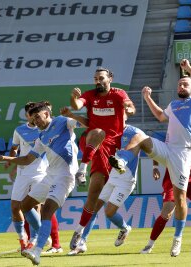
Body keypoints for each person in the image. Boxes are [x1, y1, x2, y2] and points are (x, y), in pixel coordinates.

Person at [109, 59, 191, 257]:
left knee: (180, 198)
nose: (181, 86)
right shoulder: (173, 105)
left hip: (183, 153)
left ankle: (177, 238)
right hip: (168, 148)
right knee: (140, 137)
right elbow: (160, 116)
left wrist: (188, 69)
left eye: (185, 84)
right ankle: (121, 159)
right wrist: (147, 98)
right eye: (180, 84)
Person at [0, 102, 80, 265]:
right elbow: (27, 159)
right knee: (25, 205)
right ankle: (42, 236)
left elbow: (86, 123)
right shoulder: (41, 137)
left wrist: (73, 115)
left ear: (47, 114)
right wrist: (6, 158)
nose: (36, 122)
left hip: (64, 176)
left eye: (38, 118)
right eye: (33, 119)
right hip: (50, 175)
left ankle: (38, 251)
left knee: (46, 210)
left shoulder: (63, 122)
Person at [69, 67, 136, 250]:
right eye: (95, 78)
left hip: (112, 150)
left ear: (110, 79)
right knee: (97, 132)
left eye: (101, 78)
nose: (98, 81)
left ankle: (82, 233)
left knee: (95, 198)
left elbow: (129, 105)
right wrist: (74, 98)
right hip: (91, 141)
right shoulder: (90, 95)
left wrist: (128, 108)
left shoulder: (118, 94)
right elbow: (77, 105)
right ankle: (81, 170)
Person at [63, 110, 144, 255]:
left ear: (126, 115)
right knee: (93, 208)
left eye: (121, 113)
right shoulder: (107, 130)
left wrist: (156, 166)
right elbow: (89, 124)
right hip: (111, 177)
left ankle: (125, 228)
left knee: (109, 212)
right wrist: (73, 115)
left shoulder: (135, 132)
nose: (117, 116)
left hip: (126, 180)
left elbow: (151, 148)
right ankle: (82, 242)